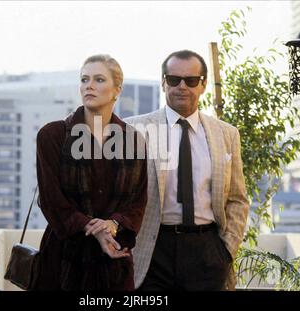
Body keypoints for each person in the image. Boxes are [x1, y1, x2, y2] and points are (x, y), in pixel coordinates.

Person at [125, 50, 249, 290]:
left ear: (202, 85)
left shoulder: (227, 134)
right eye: (173, 79)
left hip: (208, 251)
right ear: (163, 83)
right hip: (152, 250)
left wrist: (226, 250)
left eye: (191, 81)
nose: (182, 86)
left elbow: (237, 198)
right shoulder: (135, 129)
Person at [34, 54, 147, 290]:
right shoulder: (53, 136)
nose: (89, 86)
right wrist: (93, 229)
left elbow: (138, 201)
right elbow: (51, 200)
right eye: (84, 79)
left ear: (117, 90)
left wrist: (113, 225)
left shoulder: (133, 140)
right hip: (63, 259)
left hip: (113, 261)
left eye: (99, 80)